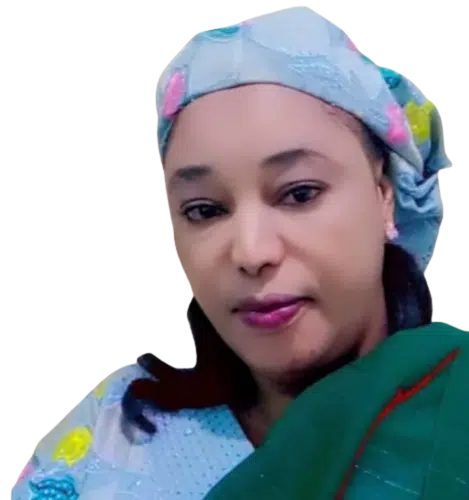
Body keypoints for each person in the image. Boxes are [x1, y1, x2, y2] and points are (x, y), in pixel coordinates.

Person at [12, 7, 467, 500]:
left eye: (299, 194)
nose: (251, 252)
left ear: (385, 196)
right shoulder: (114, 434)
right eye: (205, 210)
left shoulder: (455, 420)